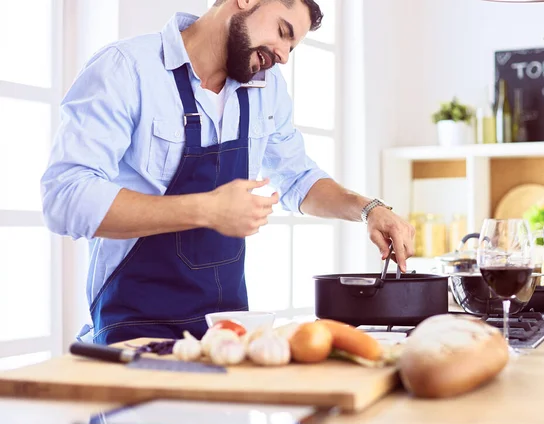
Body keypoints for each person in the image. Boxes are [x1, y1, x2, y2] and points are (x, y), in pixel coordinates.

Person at [41, 0, 415, 345]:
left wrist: (369, 209)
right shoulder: (126, 69)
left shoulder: (266, 90)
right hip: (133, 329)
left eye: (292, 47)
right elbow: (65, 198)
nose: (283, 56)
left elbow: (298, 178)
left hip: (226, 334)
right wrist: (206, 210)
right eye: (283, 32)